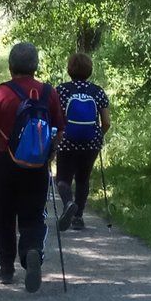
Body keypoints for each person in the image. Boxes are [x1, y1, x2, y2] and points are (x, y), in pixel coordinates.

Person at [0, 42, 64, 293]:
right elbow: (58, 129)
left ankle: (6, 268)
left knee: (3, 216)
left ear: (10, 65)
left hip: (5, 162)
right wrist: (49, 153)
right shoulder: (49, 93)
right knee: (34, 214)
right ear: (35, 66)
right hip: (37, 166)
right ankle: (31, 250)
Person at [54, 52, 110, 231]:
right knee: (83, 179)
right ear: (90, 70)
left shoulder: (61, 90)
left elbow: (56, 118)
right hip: (91, 142)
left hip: (67, 140)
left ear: (69, 70)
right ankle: (78, 218)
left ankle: (69, 203)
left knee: (62, 178)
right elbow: (106, 122)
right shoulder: (97, 91)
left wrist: (54, 139)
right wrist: (99, 134)